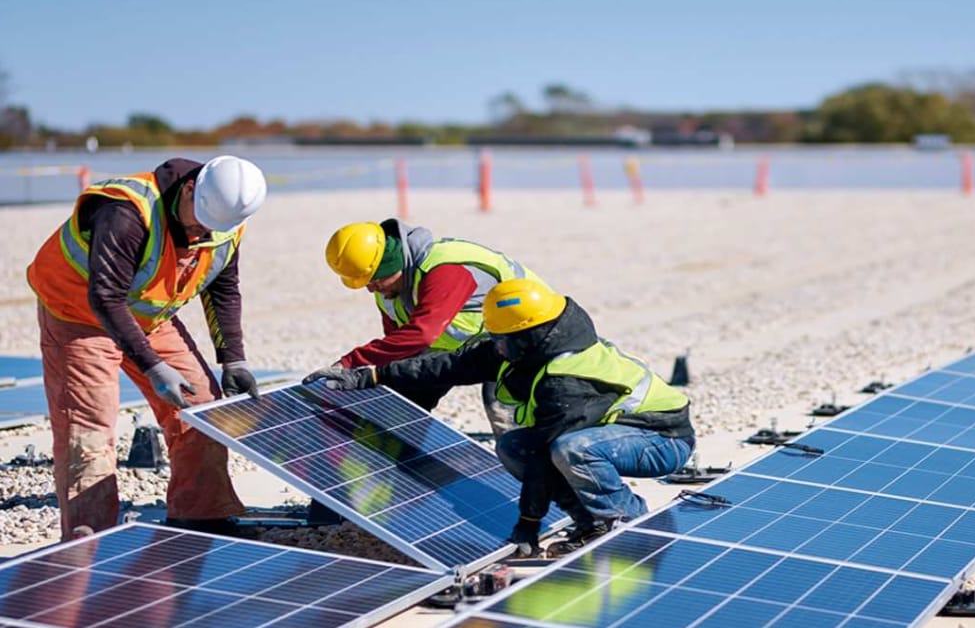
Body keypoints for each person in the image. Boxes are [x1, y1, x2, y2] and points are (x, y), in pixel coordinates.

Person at [310, 279, 695, 557]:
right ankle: (589, 521)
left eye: (501, 340)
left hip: (663, 437)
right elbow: (448, 365)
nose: (496, 347)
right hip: (615, 434)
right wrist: (369, 375)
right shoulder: (524, 344)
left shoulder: (566, 378)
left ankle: (624, 521)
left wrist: (527, 523)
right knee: (513, 446)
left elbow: (547, 458)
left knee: (569, 449)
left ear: (527, 335)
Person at [26, 155, 268, 540]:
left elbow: (223, 287)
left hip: (146, 315)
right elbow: (105, 298)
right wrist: (153, 366)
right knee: (89, 432)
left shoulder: (225, 221)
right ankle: (90, 543)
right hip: (79, 314)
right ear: (190, 188)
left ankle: (201, 519)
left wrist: (233, 359)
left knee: (202, 406)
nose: (202, 231)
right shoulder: (126, 212)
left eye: (212, 226)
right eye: (199, 219)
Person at [303, 219, 548, 438]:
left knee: (505, 413)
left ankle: (534, 472)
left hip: (528, 334)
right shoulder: (388, 291)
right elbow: (400, 346)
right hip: (471, 344)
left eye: (374, 281)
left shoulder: (445, 270)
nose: (371, 289)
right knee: (405, 397)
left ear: (392, 266)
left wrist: (349, 362)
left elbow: (422, 333)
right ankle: (403, 459)